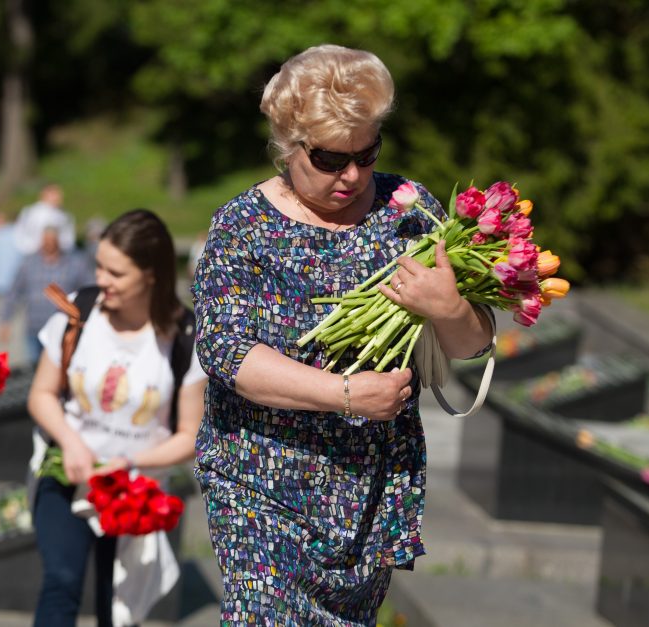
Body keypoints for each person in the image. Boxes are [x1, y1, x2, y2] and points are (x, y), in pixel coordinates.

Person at [191, 44, 494, 625]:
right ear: (288, 146)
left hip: (368, 483)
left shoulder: (408, 212)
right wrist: (349, 395)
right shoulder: (243, 225)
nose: (352, 175)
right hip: (260, 478)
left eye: (366, 153)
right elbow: (226, 352)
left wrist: (448, 306)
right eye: (329, 160)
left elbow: (471, 346)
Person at [27, 209, 207, 627]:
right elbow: (41, 395)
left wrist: (132, 464)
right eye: (99, 266)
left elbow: (189, 435)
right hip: (65, 475)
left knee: (118, 607)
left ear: (151, 275)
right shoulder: (81, 311)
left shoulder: (184, 337)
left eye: (116, 273)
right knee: (61, 580)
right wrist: (71, 443)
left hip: (134, 491)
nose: (101, 280)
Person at [0, 226, 92, 365]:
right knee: (33, 367)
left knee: (59, 365)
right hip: (34, 327)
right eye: (46, 239)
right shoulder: (28, 263)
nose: (49, 243)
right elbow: (14, 292)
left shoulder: (75, 263)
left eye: (52, 239)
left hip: (63, 327)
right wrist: (5, 320)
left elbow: (89, 288)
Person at [14, 183, 76, 255]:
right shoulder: (31, 213)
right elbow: (22, 236)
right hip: (35, 255)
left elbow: (68, 240)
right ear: (44, 195)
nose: (60, 197)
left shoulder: (65, 215)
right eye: (55, 194)